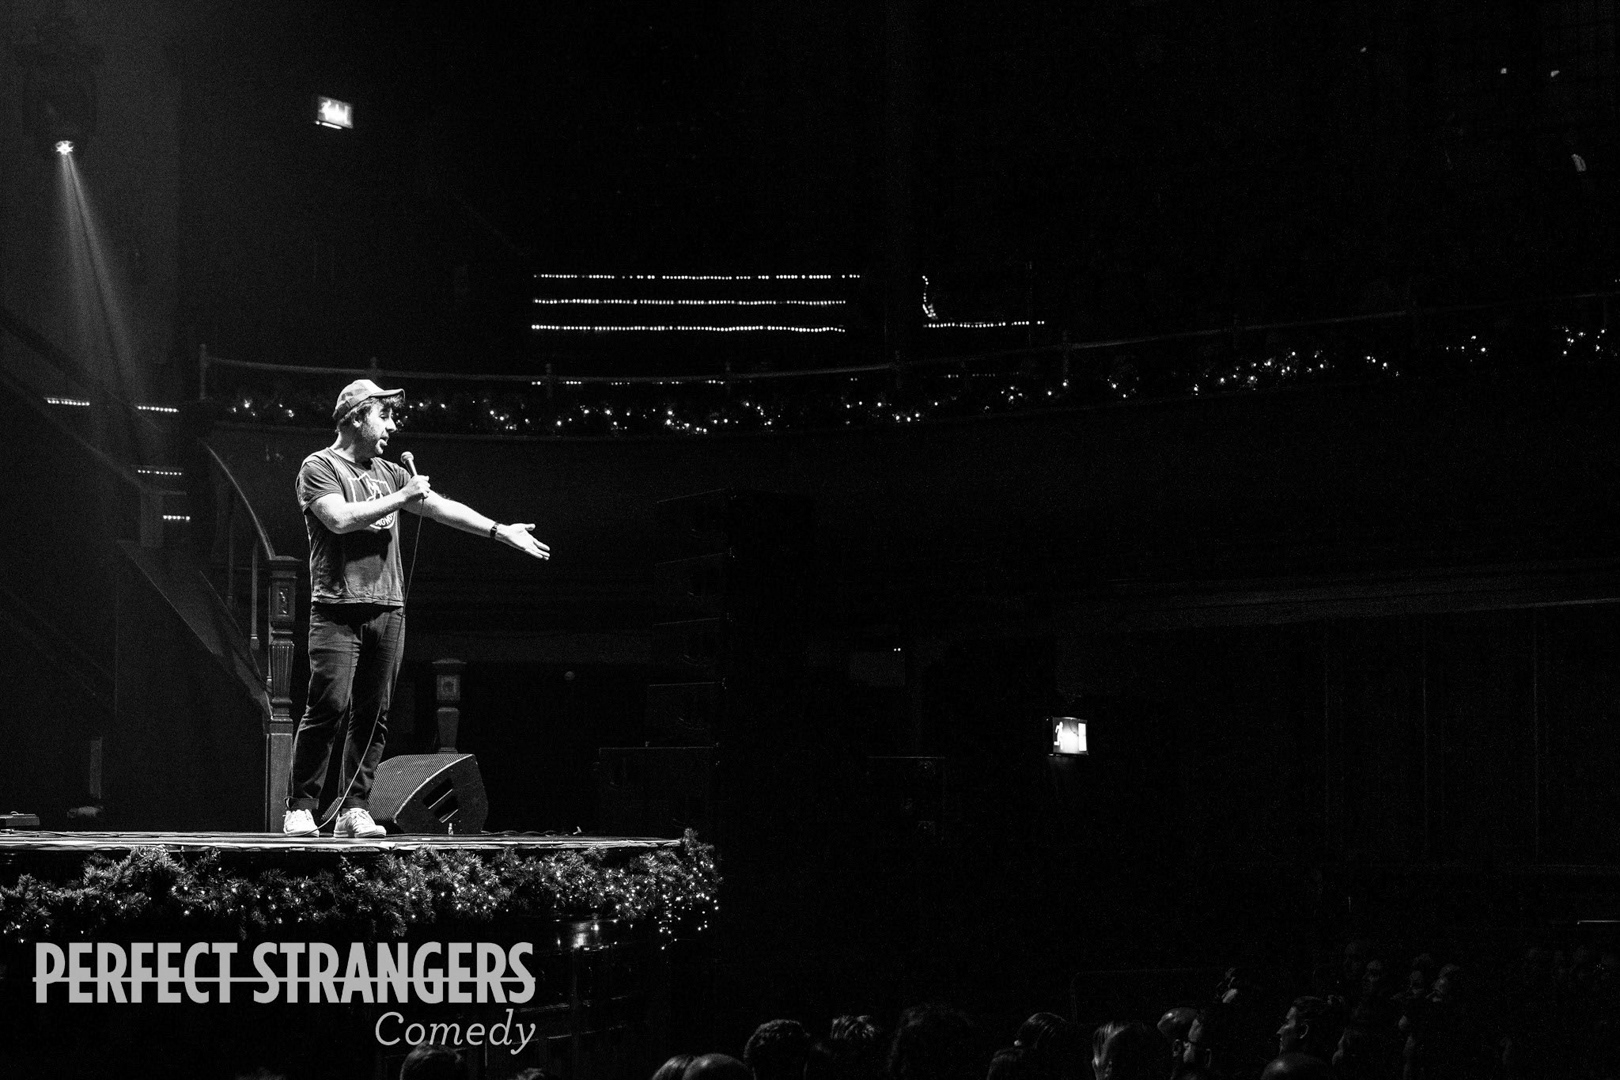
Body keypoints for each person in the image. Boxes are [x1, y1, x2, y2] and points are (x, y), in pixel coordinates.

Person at [283, 379, 550, 837]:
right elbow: (339, 519)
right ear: (356, 417)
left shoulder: (389, 472)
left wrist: (499, 530)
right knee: (329, 706)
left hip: (389, 608)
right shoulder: (319, 466)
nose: (392, 427)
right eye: (383, 416)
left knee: (374, 715)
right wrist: (402, 498)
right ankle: (301, 806)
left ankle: (354, 809)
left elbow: (441, 508)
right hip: (338, 608)